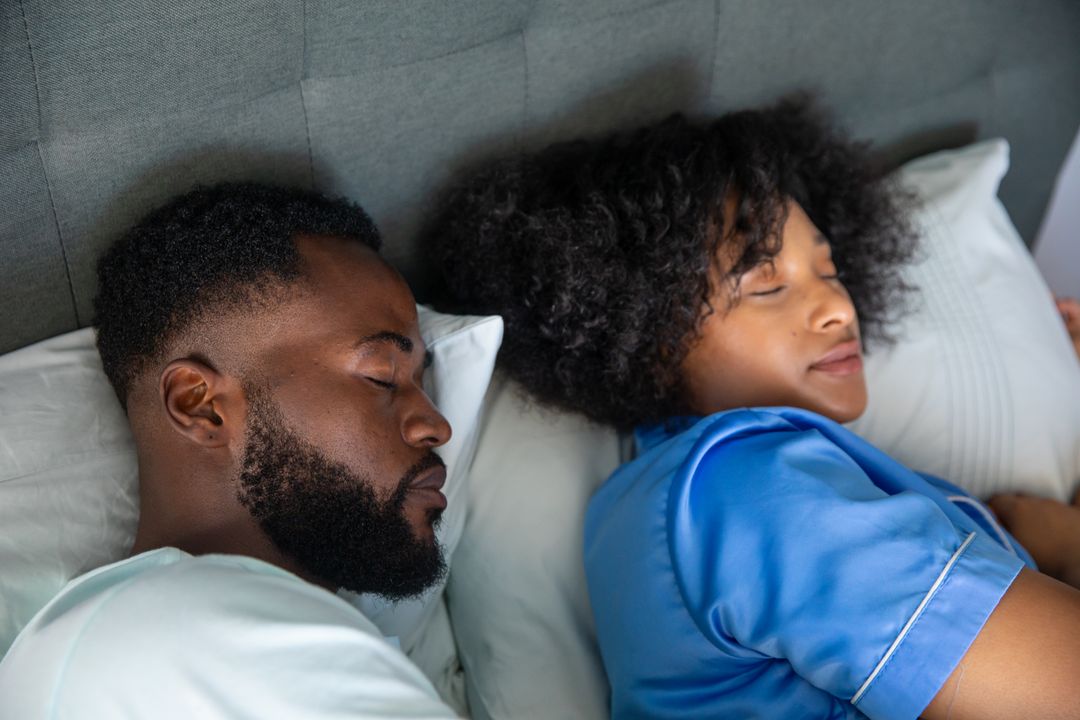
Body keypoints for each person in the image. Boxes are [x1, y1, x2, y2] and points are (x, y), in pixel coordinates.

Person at [430, 97, 1080, 719]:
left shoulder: (726, 484)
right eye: (766, 285)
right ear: (647, 332)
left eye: (829, 271)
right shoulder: (741, 490)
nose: (836, 307)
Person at [0, 184, 459, 718]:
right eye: (381, 375)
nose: (437, 425)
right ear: (201, 407)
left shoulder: (158, 634)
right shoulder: (198, 633)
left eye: (421, 381)